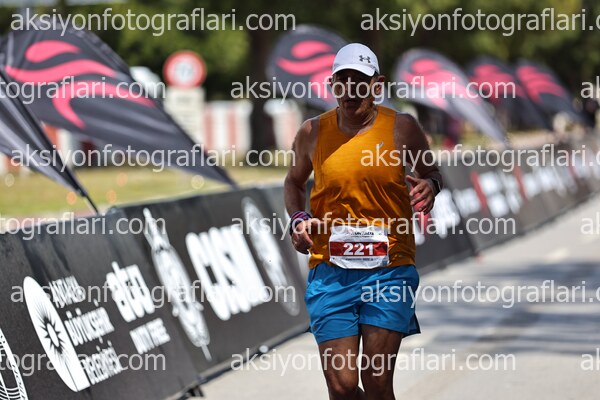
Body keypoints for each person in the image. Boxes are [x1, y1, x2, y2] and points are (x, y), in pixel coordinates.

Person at [284, 43, 443, 400]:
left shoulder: (402, 128)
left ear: (377, 85)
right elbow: (293, 182)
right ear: (332, 85)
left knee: (376, 381)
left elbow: (431, 172)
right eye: (342, 81)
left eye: (360, 81)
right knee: (342, 387)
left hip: (390, 269)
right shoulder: (312, 132)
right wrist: (298, 219)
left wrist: (430, 187)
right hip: (330, 270)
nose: (351, 90)